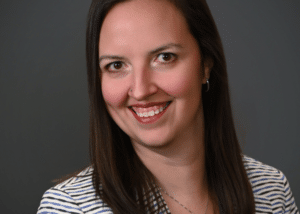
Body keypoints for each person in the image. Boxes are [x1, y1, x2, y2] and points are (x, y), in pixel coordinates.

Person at [37, 0, 299, 213]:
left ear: (205, 65)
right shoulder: (71, 207)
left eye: (165, 57)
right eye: (116, 65)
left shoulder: (272, 191)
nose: (140, 89)